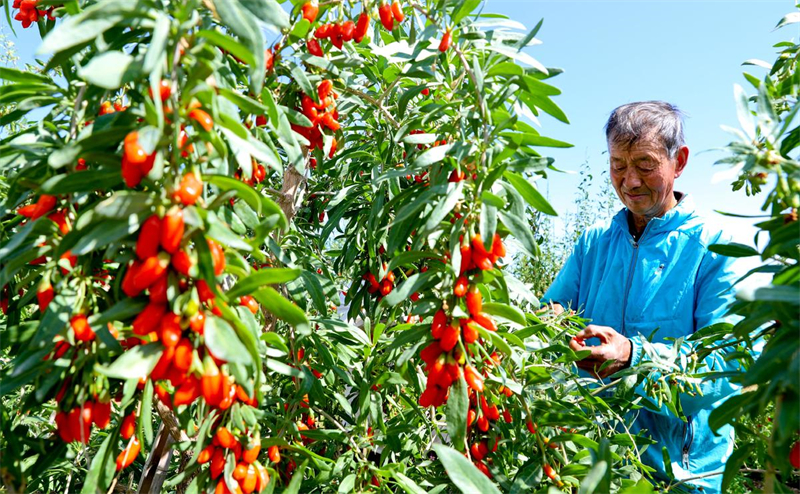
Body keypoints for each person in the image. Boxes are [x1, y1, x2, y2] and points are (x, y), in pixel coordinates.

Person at [542, 101, 743, 494]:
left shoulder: (716, 248)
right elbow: (553, 311)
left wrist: (634, 357)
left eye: (645, 164)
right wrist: (545, 324)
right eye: (617, 165)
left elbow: (726, 367)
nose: (630, 181)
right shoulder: (594, 243)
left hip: (679, 477)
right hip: (591, 464)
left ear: (678, 161)